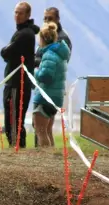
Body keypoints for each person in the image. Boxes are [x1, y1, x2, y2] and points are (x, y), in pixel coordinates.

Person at [0, 1, 39, 148]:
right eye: (15, 12)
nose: (17, 15)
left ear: (28, 15)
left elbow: (7, 52)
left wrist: (5, 51)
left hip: (18, 84)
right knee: (11, 119)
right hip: (13, 82)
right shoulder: (21, 32)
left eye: (20, 13)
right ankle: (15, 147)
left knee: (14, 119)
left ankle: (17, 149)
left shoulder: (25, 34)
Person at [34, 7, 72, 147]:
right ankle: (51, 158)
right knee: (46, 129)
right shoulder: (58, 47)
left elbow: (47, 74)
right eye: (44, 18)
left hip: (48, 92)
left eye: (49, 18)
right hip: (53, 93)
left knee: (41, 129)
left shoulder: (53, 49)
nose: (46, 21)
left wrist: (35, 73)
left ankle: (45, 159)